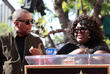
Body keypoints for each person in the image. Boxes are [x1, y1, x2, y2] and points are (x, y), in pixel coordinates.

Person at [0, 9, 46, 74]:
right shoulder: (3, 39)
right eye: (27, 22)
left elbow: (46, 64)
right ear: (16, 23)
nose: (31, 24)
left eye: (31, 21)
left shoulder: (36, 40)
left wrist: (40, 55)